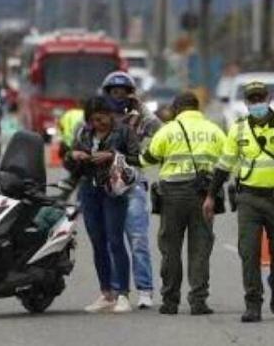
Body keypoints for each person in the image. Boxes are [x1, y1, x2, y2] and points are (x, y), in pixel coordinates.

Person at [205, 81, 274, 323]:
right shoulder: (238, 129)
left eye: (260, 98)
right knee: (248, 251)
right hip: (248, 198)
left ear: (269, 98)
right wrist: (210, 195)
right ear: (246, 102)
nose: (257, 103)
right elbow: (224, 164)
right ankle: (253, 303)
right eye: (252, 99)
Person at [140, 92, 225, 316]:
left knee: (171, 249)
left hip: (172, 196)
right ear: (197, 108)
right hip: (204, 194)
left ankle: (170, 302)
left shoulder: (167, 130)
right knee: (200, 249)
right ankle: (198, 301)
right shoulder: (213, 130)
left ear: (176, 109)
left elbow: (147, 159)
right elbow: (228, 161)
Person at [63, 96, 140, 314]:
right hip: (89, 190)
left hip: (113, 190)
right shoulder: (84, 133)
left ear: (111, 115)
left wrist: (112, 155)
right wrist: (73, 155)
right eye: (95, 120)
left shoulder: (124, 132)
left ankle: (123, 293)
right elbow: (68, 163)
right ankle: (107, 293)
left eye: (104, 117)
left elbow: (137, 158)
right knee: (98, 241)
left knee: (115, 240)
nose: (100, 123)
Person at [101, 71, 160, 309]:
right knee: (112, 241)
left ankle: (145, 290)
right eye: (114, 92)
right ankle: (117, 291)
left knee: (138, 240)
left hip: (133, 184)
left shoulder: (139, 119)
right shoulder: (100, 119)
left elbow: (160, 130)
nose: (118, 96)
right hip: (106, 186)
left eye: (123, 92)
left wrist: (142, 108)